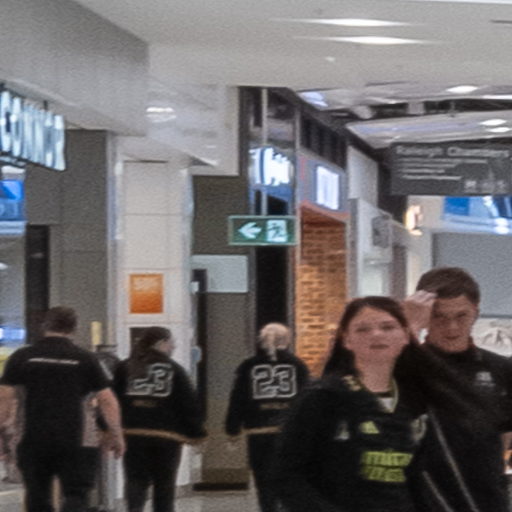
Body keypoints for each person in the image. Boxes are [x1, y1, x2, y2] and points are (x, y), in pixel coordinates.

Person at [272, 296, 494, 512]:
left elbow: (417, 480)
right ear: (346, 340)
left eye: (388, 327)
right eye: (363, 329)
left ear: (406, 336)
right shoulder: (323, 397)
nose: (376, 335)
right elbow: (285, 476)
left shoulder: (414, 401)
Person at [403, 266, 512, 512]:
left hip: (484, 500)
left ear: (476, 313)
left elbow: (504, 435)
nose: (451, 327)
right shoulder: (405, 365)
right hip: (419, 499)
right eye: (439, 317)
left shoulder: (500, 369)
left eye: (461, 316)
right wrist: (407, 325)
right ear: (424, 316)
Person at [0, 306, 125, 512]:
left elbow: (4, 397)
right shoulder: (85, 359)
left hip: (33, 438)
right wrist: (117, 434)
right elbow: (107, 400)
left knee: (37, 494)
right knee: (76, 494)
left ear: (44, 326)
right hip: (77, 440)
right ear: (74, 328)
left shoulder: (22, 357)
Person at [113, 326, 206, 512]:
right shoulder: (175, 370)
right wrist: (197, 434)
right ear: (161, 343)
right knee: (164, 484)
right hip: (167, 438)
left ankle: (134, 509)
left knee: (135, 480)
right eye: (171, 342)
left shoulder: (125, 367)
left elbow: (113, 399)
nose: (174, 346)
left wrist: (108, 428)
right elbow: (189, 404)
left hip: (133, 435)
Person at [225, 322, 310, 512]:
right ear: (286, 340)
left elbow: (238, 399)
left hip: (258, 434)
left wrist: (232, 430)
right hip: (290, 433)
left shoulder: (248, 366)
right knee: (290, 478)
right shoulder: (298, 365)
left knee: (263, 481)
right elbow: (307, 400)